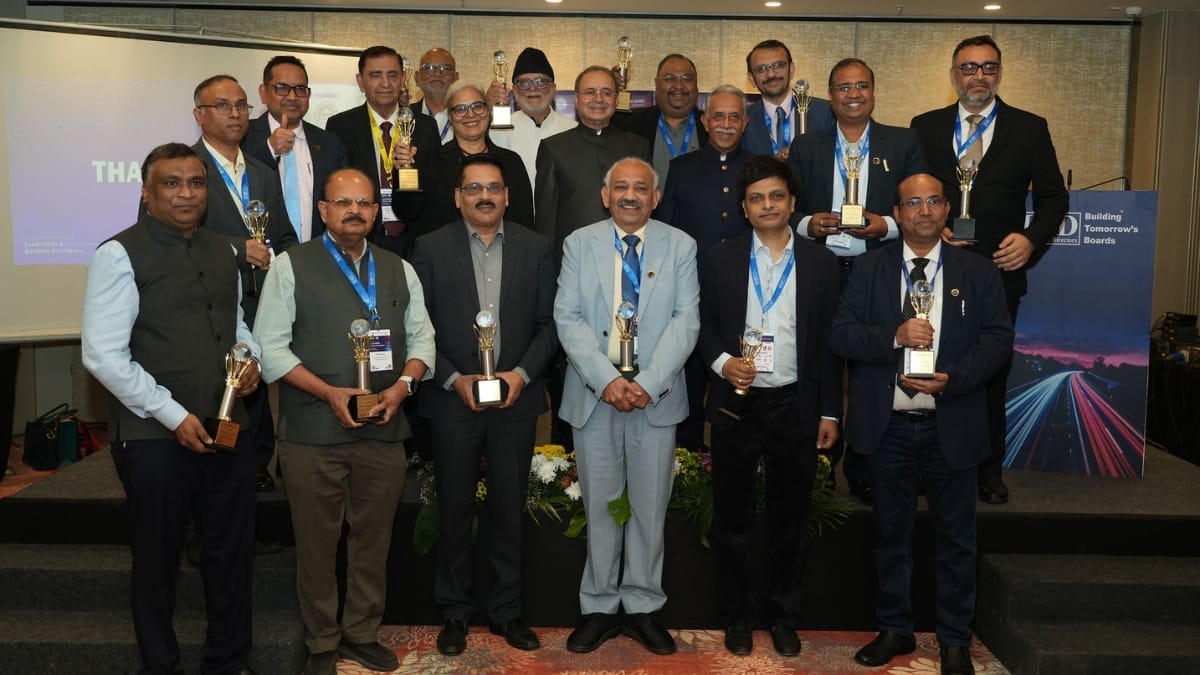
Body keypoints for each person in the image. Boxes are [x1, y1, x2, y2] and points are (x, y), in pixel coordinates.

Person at [82, 142, 261, 675]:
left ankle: (229, 661)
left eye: (196, 183)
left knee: (230, 554)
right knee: (158, 559)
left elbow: (236, 326)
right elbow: (103, 355)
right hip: (154, 438)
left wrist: (250, 360)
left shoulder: (224, 250)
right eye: (172, 183)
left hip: (227, 427)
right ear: (146, 192)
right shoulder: (118, 254)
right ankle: (160, 665)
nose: (187, 194)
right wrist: (173, 415)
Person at [252, 167, 436, 675]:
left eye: (364, 203)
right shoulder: (291, 266)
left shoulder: (399, 269)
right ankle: (321, 641)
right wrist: (329, 393)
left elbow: (424, 341)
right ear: (323, 210)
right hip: (312, 435)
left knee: (373, 542)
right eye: (343, 202)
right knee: (316, 546)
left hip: (384, 431)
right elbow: (270, 350)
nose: (355, 211)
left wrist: (402, 388)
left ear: (376, 212)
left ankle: (361, 633)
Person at [831, 173, 1013, 675]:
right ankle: (895, 628)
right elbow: (841, 334)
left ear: (948, 208)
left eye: (934, 201)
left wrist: (955, 379)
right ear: (897, 212)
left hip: (952, 424)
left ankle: (954, 639)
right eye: (913, 203)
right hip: (888, 426)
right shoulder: (869, 268)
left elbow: (998, 340)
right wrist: (894, 336)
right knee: (891, 535)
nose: (925, 210)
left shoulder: (978, 272)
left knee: (957, 540)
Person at [910, 34, 1069, 506]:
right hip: (935, 268)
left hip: (999, 271)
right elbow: (910, 190)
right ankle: (930, 466)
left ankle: (987, 470)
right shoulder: (925, 126)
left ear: (999, 73)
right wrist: (931, 227)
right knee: (932, 364)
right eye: (969, 67)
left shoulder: (1029, 127)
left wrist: (1031, 239)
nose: (978, 76)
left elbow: (1054, 198)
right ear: (953, 75)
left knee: (990, 371)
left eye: (988, 67)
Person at [410, 154, 558, 657]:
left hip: (516, 398)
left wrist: (520, 375)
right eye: (474, 188)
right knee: (453, 507)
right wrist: (453, 379)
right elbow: (419, 326)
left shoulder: (537, 247)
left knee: (509, 509)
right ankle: (455, 610)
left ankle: (507, 610)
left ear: (508, 196)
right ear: (458, 198)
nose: (485, 196)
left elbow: (550, 324)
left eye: (493, 187)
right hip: (453, 400)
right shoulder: (429, 248)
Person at [554, 157, 699, 656]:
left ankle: (642, 606)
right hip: (595, 395)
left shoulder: (680, 245)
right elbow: (567, 318)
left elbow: (686, 321)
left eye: (641, 188)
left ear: (655, 197)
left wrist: (649, 384)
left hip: (655, 398)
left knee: (648, 508)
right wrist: (607, 381)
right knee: (600, 506)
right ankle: (598, 606)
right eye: (621, 187)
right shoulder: (579, 243)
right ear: (605, 195)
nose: (631, 196)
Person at [698, 155, 841, 657]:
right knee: (732, 519)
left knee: (791, 519)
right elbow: (702, 325)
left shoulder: (820, 263)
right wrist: (722, 364)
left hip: (795, 402)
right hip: (737, 402)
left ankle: (783, 616)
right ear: (744, 208)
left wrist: (830, 411)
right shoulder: (721, 258)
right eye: (756, 198)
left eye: (776, 196)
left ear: (792, 202)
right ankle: (736, 617)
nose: (767, 205)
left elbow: (828, 344)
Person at [789, 57, 927, 504]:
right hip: (821, 270)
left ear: (873, 92)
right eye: (844, 87)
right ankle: (822, 465)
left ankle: (866, 466)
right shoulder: (806, 145)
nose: (853, 95)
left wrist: (886, 226)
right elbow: (785, 206)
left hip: (878, 270)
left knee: (872, 369)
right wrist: (808, 224)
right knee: (821, 367)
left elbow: (921, 204)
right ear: (830, 96)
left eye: (861, 86)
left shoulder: (903, 142)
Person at [191, 74, 297, 493]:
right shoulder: (186, 169)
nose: (235, 114)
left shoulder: (262, 172)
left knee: (257, 389)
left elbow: (283, 235)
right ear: (199, 115)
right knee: (217, 394)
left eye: (241, 106)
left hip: (263, 301)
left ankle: (255, 469)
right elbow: (174, 236)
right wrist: (238, 248)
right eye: (223, 106)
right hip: (209, 304)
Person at [535, 65, 649, 449]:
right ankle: (567, 460)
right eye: (590, 92)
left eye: (606, 92)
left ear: (616, 98)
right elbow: (546, 223)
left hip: (630, 278)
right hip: (577, 281)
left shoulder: (637, 145)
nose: (598, 99)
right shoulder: (554, 148)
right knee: (573, 372)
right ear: (575, 99)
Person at [658, 84, 754, 453]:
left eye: (734, 117)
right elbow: (665, 233)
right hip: (691, 295)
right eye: (719, 116)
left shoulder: (759, 168)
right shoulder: (681, 168)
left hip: (745, 296)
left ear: (745, 123)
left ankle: (732, 463)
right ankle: (688, 462)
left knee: (737, 388)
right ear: (705, 121)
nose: (726, 124)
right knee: (690, 384)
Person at [326, 45, 440, 260]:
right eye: (375, 75)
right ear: (361, 82)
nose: (385, 83)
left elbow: (434, 189)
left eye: (393, 75)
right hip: (362, 240)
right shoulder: (341, 126)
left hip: (415, 240)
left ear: (403, 78)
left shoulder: (425, 126)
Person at [392, 82, 534, 236]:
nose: (470, 114)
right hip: (445, 249)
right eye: (460, 109)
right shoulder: (428, 162)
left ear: (488, 112)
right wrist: (403, 170)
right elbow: (407, 212)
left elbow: (524, 223)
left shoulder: (511, 162)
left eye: (477, 106)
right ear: (450, 117)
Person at [244, 54, 349, 243]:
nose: (292, 97)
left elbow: (341, 201)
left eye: (300, 89)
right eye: (282, 88)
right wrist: (269, 148)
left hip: (316, 253)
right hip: (260, 252)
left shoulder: (330, 144)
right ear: (263, 93)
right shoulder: (243, 137)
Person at [487, 47, 577, 188]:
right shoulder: (497, 131)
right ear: (514, 91)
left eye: (541, 82)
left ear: (553, 88)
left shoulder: (573, 130)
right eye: (524, 83)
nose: (533, 89)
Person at [612, 53, 707, 183]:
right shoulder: (630, 124)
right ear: (656, 84)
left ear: (696, 84)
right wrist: (610, 88)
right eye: (669, 78)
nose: (678, 86)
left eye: (686, 79)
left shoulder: (712, 127)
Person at [741, 39, 835, 159]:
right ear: (751, 78)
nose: (771, 74)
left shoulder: (826, 112)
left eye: (778, 65)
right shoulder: (743, 120)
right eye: (761, 69)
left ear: (791, 69)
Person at [411, 47, 460, 145]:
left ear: (456, 78)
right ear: (417, 78)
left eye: (445, 68)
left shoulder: (467, 116)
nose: (437, 74)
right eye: (429, 68)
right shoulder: (406, 116)